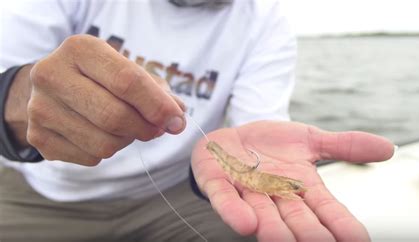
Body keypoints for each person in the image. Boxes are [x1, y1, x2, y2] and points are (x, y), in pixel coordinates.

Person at [0, 0, 395, 241]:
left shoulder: (264, 18)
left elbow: (256, 130)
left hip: (172, 195)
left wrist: (248, 160)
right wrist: (18, 95)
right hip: (39, 195)